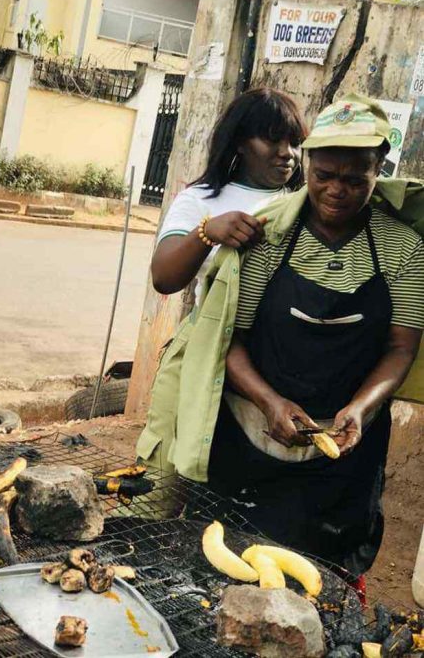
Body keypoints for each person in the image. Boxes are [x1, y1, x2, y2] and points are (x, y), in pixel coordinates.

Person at [137, 94, 424, 584]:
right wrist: (269, 400)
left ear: (380, 169)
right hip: (253, 429)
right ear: (309, 167)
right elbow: (230, 337)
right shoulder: (268, 233)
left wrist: (360, 407)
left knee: (327, 572)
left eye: (356, 178)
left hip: (346, 444)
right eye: (324, 175)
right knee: (230, 562)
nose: (337, 190)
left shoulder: (404, 246)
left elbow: (401, 346)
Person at [151, 87, 308, 301]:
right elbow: (163, 278)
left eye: (295, 143)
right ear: (240, 143)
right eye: (272, 140)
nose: (287, 153)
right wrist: (206, 233)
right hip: (217, 333)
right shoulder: (199, 199)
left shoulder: (304, 203)